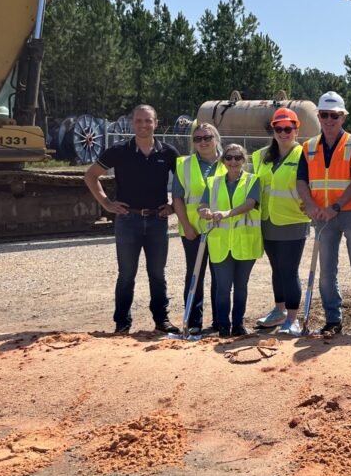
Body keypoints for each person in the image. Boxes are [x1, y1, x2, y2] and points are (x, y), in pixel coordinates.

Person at [84, 104, 180, 335]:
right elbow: (90, 176)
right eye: (139, 120)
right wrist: (107, 204)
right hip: (128, 221)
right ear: (131, 123)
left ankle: (162, 320)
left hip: (157, 221)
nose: (143, 125)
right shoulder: (119, 150)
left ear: (156, 123)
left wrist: (173, 208)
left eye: (148, 120)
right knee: (126, 274)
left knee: (157, 273)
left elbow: (185, 184)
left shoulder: (168, 153)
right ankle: (122, 323)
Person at [295, 92, 351, 336]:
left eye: (334, 115)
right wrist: (310, 205)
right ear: (318, 116)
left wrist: (335, 207)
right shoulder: (308, 147)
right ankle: (333, 319)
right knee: (326, 270)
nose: (329, 119)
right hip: (322, 218)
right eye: (325, 115)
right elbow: (301, 181)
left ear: (343, 117)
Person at [252, 108, 311, 334]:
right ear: (273, 130)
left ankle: (292, 318)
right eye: (278, 129)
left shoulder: (303, 155)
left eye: (288, 129)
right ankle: (279, 311)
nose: (283, 133)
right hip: (267, 221)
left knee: (289, 270)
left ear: (296, 130)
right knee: (276, 269)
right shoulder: (260, 156)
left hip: (293, 221)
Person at [198, 143, 262, 337]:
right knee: (223, 287)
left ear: (244, 160)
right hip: (221, 243)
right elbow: (202, 204)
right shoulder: (213, 182)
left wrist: (227, 213)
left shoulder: (253, 180)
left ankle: (238, 324)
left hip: (245, 242)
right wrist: (203, 211)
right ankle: (224, 326)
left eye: (237, 158)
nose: (233, 161)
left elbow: (250, 204)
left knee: (241, 287)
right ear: (223, 160)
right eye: (229, 158)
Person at [171, 121, 223, 335]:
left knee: (220, 277)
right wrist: (186, 226)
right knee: (195, 276)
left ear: (216, 139)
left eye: (207, 137)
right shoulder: (184, 164)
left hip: (221, 230)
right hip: (192, 230)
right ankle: (193, 321)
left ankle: (221, 322)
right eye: (198, 138)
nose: (203, 142)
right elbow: (177, 198)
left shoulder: (229, 161)